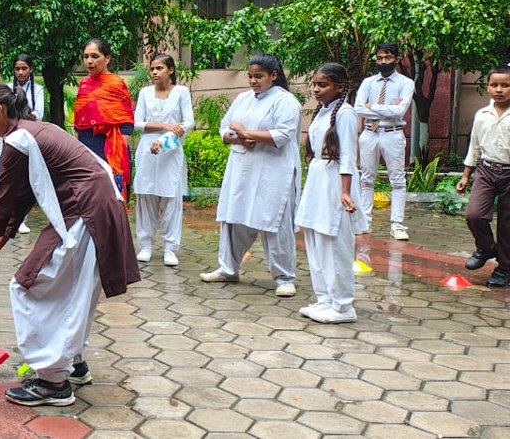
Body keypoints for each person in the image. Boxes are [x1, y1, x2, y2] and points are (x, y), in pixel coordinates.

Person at [0, 83, 138, 407]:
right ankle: (73, 364)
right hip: (97, 208)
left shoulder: (17, 140)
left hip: (85, 211)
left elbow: (2, 205)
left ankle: (53, 382)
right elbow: (20, 202)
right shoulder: (33, 129)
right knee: (73, 292)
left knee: (27, 286)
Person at [201, 53, 302, 298]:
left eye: (259, 76)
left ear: (273, 76)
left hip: (274, 172)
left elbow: (283, 135)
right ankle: (228, 268)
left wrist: (246, 133)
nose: (253, 81)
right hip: (242, 169)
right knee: (234, 218)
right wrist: (238, 138)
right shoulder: (243, 99)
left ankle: (284, 277)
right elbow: (225, 128)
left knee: (274, 222)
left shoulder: (286, 101)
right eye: (250, 76)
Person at [296, 63, 367, 323]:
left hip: (335, 182)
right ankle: (325, 298)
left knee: (335, 243)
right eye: (314, 84)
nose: (316, 89)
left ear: (340, 87)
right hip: (318, 179)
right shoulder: (322, 112)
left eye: (323, 85)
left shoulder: (346, 114)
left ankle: (343, 305)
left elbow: (348, 155)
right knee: (315, 240)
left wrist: (345, 191)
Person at [133, 54, 193, 267]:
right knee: (146, 196)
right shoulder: (145, 93)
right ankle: (145, 245)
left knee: (171, 198)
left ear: (171, 70)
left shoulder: (181, 92)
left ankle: (170, 247)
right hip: (147, 150)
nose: (154, 72)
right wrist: (164, 126)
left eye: (159, 68)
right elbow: (137, 122)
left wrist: (166, 137)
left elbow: (188, 122)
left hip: (171, 150)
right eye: (152, 69)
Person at [457, 64, 510, 287]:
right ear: (487, 87)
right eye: (494, 85)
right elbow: (474, 147)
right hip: (486, 171)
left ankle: (504, 269)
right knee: (474, 214)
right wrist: (466, 175)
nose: (499, 89)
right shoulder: (481, 115)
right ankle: (486, 247)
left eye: (505, 85)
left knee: (507, 224)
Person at [355, 43, 415, 241]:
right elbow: (358, 108)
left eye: (387, 58)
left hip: (392, 134)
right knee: (366, 178)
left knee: (397, 180)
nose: (383, 62)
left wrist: (372, 106)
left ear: (396, 59)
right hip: (369, 133)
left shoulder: (406, 83)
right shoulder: (368, 82)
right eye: (379, 58)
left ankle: (397, 224)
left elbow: (400, 111)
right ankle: (365, 221)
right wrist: (388, 108)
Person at [73, 38, 134, 192]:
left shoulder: (116, 84)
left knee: (112, 195)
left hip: (111, 148)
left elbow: (127, 125)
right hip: (86, 148)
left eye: (95, 56)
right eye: (86, 56)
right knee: (88, 197)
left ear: (107, 58)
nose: (89, 61)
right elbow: (79, 124)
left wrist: (117, 156)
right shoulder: (84, 85)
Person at [6, 54, 46, 234]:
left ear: (31, 69)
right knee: (7, 175)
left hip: (28, 136)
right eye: (17, 69)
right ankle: (5, 216)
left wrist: (19, 119)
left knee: (24, 177)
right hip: (9, 136)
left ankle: (21, 218)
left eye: (24, 68)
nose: (21, 72)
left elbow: (38, 114)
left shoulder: (38, 90)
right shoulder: (7, 89)